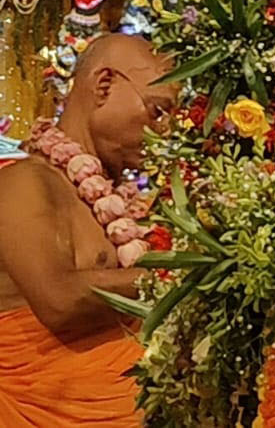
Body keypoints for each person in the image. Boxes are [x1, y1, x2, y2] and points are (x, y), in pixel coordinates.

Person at [0, 33, 177, 426]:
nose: (165, 132)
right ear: (104, 85)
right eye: (158, 111)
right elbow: (61, 301)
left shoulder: (116, 206)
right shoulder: (23, 182)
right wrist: (180, 276)